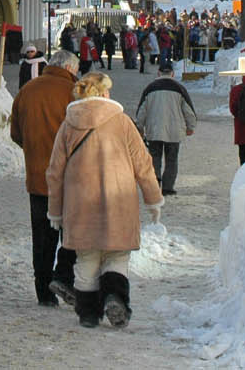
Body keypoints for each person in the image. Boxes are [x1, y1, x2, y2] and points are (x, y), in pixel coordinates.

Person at [45, 71, 163, 329]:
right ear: (105, 92)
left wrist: (55, 212)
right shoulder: (122, 122)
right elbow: (143, 165)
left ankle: (87, 313)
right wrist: (153, 199)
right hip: (119, 203)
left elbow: (54, 172)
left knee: (86, 259)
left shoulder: (68, 125)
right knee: (116, 256)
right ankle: (115, 296)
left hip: (80, 207)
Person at [10, 48, 80, 306]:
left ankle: (43, 292)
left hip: (38, 178)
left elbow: (16, 133)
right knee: (73, 234)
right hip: (70, 179)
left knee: (42, 238)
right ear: (71, 69)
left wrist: (35, 151)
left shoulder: (28, 90)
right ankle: (63, 277)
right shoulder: (74, 93)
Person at [135, 60, 196, 195]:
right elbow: (188, 110)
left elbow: (142, 111)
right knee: (172, 159)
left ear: (159, 72)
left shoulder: (150, 88)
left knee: (154, 157)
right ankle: (168, 187)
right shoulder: (179, 88)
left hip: (154, 130)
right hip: (174, 131)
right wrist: (190, 126)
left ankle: (155, 183)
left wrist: (139, 127)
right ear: (172, 74)